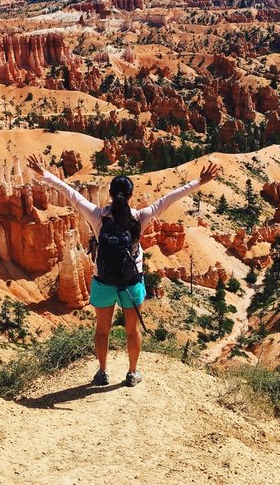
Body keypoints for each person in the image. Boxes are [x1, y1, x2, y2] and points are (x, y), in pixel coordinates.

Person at [26, 154, 220, 387]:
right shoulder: (140, 217)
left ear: (110, 194)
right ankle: (132, 373)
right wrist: (198, 182)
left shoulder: (98, 216)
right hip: (132, 283)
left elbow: (72, 195)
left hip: (103, 281)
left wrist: (45, 175)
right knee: (132, 329)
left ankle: (102, 372)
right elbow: (169, 199)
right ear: (130, 195)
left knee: (102, 330)